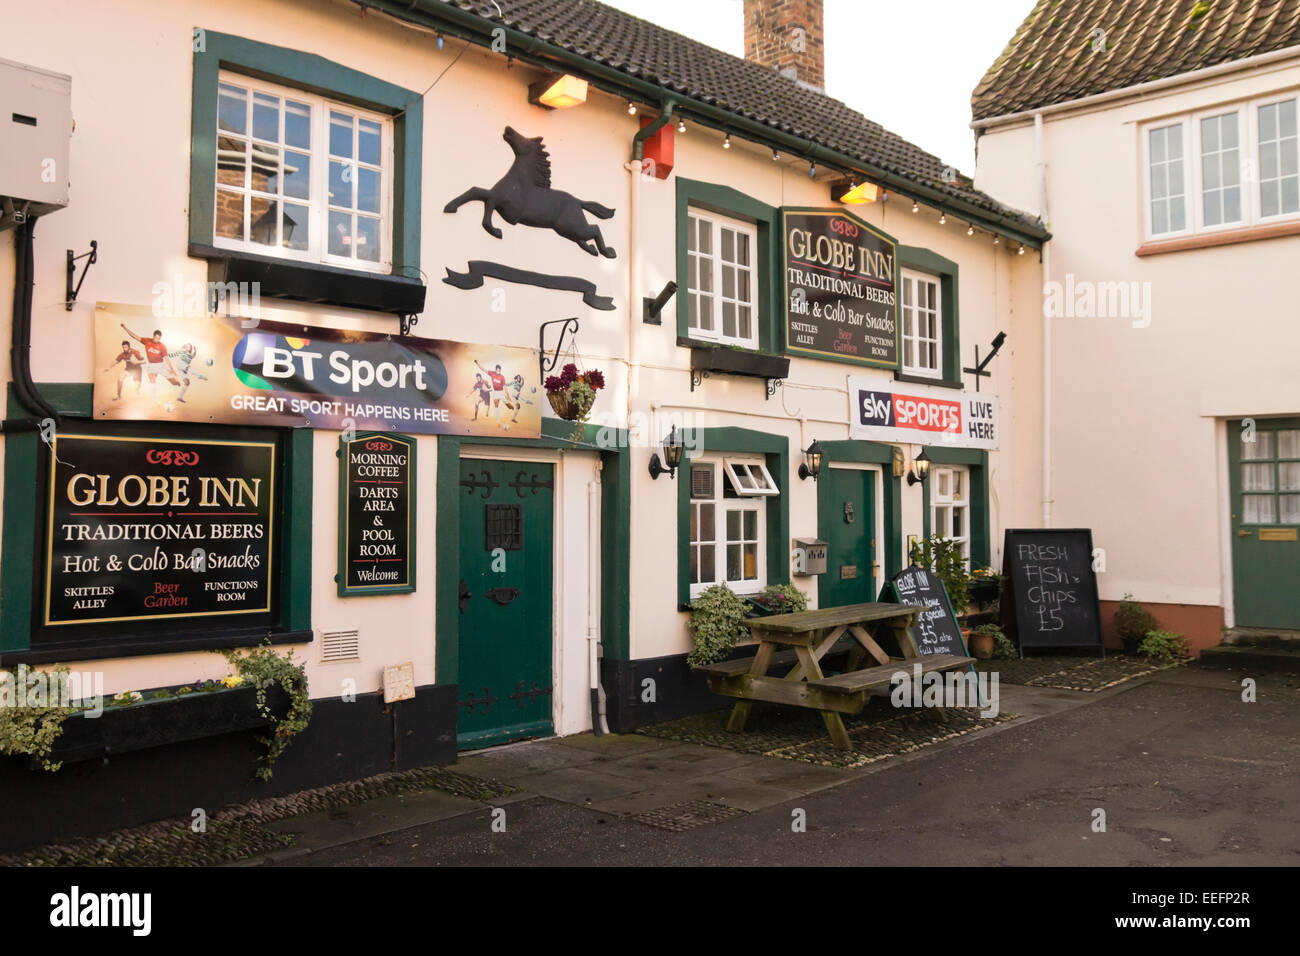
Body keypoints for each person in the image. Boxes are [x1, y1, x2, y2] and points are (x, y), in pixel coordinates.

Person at [121, 324, 179, 405]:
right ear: (153, 336)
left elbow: (166, 358)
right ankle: (156, 400)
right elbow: (134, 336)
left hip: (161, 365)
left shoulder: (162, 346)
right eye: (156, 338)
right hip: (151, 365)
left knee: (173, 382)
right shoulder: (147, 341)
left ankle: (178, 383)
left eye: (159, 338)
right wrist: (125, 328)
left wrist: (172, 369)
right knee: (152, 379)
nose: (157, 340)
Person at [474, 360, 515, 424]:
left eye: (499, 370)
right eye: (497, 370)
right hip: (495, 392)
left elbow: (505, 387)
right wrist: (477, 364)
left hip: (501, 392)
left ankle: (511, 407)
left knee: (509, 406)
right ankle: (498, 421)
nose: (498, 371)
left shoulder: (502, 377)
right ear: (495, 370)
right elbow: (484, 370)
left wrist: (508, 396)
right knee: (496, 404)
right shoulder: (492, 373)